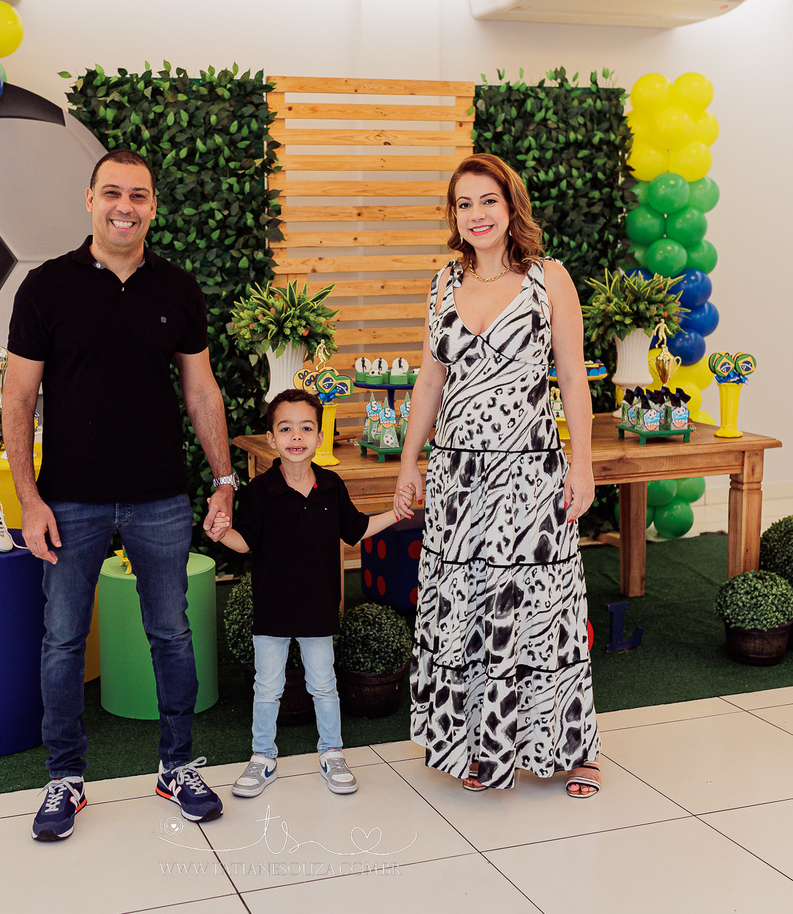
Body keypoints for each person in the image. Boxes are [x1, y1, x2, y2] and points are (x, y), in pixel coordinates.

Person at [2, 149, 237, 842]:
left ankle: (177, 765)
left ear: (153, 206)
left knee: (171, 633)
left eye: (138, 195)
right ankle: (65, 778)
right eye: (112, 193)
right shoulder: (45, 287)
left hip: (159, 496)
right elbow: (18, 398)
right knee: (63, 640)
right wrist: (29, 500)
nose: (124, 206)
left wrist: (224, 479)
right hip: (68, 499)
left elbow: (201, 390)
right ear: (89, 200)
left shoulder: (178, 289)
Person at [393, 153, 602, 797]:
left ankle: (572, 751)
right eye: (464, 204)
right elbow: (430, 380)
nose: (477, 214)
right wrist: (409, 461)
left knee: (541, 609)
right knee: (467, 606)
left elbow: (573, 378)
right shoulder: (442, 283)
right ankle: (480, 748)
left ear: (511, 207)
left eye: (488, 200)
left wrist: (583, 463)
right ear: (453, 216)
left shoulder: (548, 278)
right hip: (457, 477)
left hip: (530, 475)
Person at [208, 389, 401, 797]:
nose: (296, 436)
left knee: (324, 685)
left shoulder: (331, 485)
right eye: (286, 428)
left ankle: (332, 752)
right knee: (267, 688)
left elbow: (357, 529)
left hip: (318, 609)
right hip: (272, 610)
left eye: (306, 428)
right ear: (271, 438)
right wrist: (222, 533)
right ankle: (262, 757)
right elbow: (244, 543)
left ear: (319, 437)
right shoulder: (259, 491)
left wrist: (396, 514)